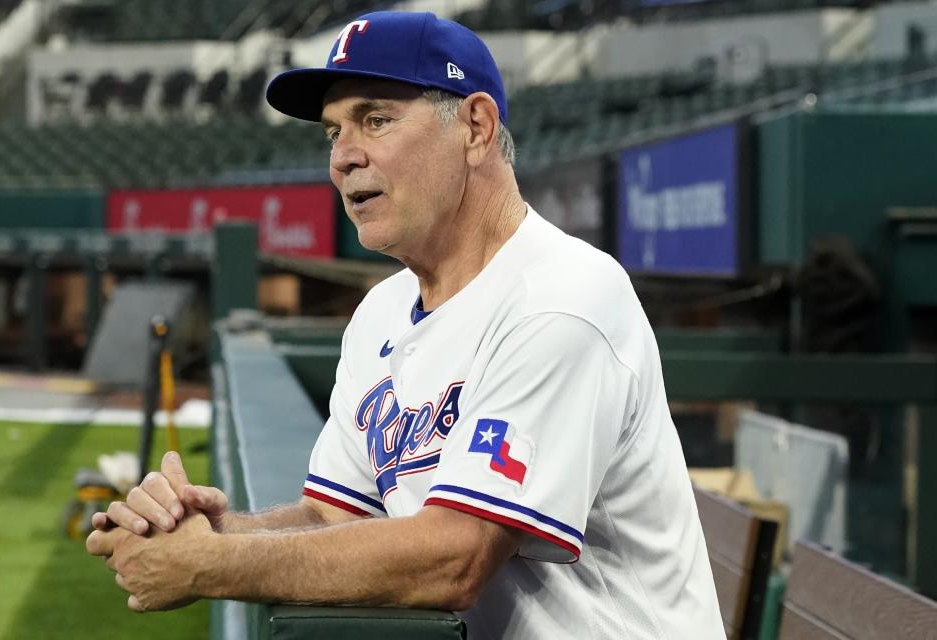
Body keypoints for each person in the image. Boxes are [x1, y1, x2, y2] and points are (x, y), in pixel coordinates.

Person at [87, 11, 725, 639]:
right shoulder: (382, 311)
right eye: (334, 132)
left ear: (475, 127)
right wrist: (208, 531)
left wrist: (211, 565)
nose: (343, 158)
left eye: (376, 119)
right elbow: (333, 516)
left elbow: (457, 556)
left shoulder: (563, 297)